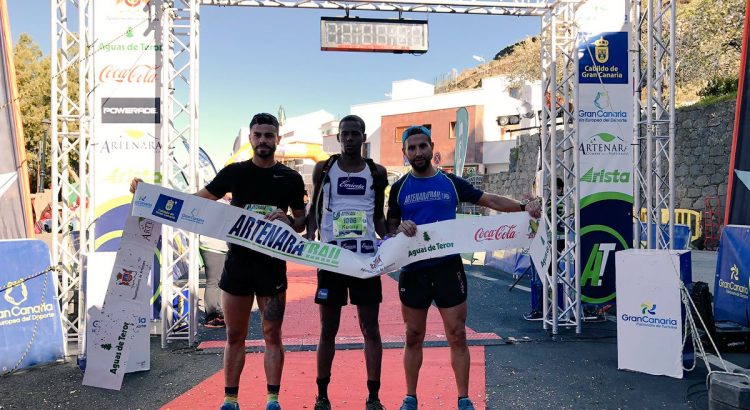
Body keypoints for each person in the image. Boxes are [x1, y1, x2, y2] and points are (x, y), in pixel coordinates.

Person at [130, 113, 306, 410]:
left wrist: (288, 220)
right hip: (238, 265)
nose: (263, 140)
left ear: (277, 138)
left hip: (272, 266)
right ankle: (230, 400)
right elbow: (194, 201)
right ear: (250, 138)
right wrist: (150, 194)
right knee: (234, 336)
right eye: (258, 135)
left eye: (269, 135)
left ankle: (272, 400)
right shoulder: (235, 172)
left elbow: (301, 223)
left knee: (272, 335)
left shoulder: (291, 178)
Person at [386, 126, 541, 410]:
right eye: (412, 148)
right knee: (413, 336)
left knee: (457, 333)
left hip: (447, 269)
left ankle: (463, 399)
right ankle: (410, 397)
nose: (418, 152)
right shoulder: (399, 188)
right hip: (414, 271)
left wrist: (522, 207)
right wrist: (399, 228)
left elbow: (490, 200)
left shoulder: (450, 183)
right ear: (405, 152)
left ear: (432, 147)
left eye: (422, 146)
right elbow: (389, 227)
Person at [306, 115, 389, 410]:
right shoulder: (324, 168)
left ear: (363, 137)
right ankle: (322, 395)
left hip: (365, 260)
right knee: (328, 329)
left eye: (355, 133)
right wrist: (308, 237)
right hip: (332, 260)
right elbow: (314, 209)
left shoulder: (377, 172)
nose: (350, 138)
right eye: (345, 134)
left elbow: (378, 217)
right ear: (339, 137)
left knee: (371, 328)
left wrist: (394, 239)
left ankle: (373, 397)